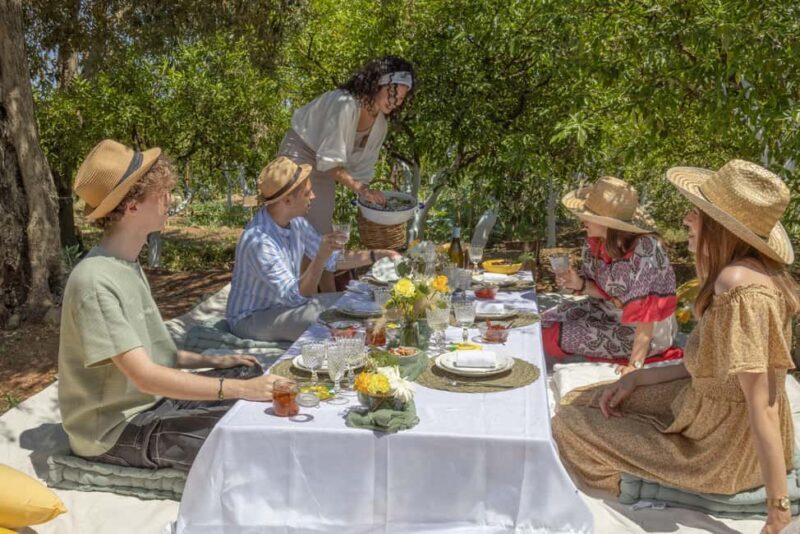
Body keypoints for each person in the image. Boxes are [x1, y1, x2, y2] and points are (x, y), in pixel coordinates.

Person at [552, 160, 799, 534]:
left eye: (697, 214)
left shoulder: (739, 286)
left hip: (721, 445)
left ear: (721, 228)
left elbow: (761, 403)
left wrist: (777, 509)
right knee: (587, 399)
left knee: (569, 426)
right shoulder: (745, 274)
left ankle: (665, 487)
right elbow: (701, 364)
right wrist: (638, 380)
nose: (686, 219)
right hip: (704, 407)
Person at [59, 140, 282, 471]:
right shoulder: (94, 280)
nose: (170, 199)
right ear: (132, 206)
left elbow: (160, 355)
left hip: (152, 403)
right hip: (113, 431)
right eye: (162, 193)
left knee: (248, 371)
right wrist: (240, 388)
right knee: (248, 438)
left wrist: (219, 362)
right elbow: (146, 377)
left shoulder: (127, 265)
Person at [277, 55, 414, 290]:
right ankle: (304, 298)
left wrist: (370, 197)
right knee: (303, 228)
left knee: (322, 231)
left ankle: (326, 299)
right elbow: (329, 162)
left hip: (325, 166)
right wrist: (361, 189)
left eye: (401, 98)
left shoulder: (380, 124)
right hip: (300, 154)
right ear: (377, 84)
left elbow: (360, 170)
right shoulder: (345, 104)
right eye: (393, 93)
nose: (396, 102)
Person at [226, 156, 399, 342]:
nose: (313, 197)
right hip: (251, 318)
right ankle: (360, 351)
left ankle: (376, 340)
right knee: (328, 322)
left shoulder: (297, 223)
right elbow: (297, 295)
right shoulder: (260, 242)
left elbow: (334, 260)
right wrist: (319, 259)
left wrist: (378, 254)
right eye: (307, 193)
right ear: (287, 200)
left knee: (352, 301)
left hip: (286, 305)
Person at [541, 176, 681, 374]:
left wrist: (635, 365)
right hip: (607, 312)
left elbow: (646, 315)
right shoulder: (596, 242)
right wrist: (579, 283)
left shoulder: (645, 249)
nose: (581, 220)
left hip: (643, 333)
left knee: (556, 334)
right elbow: (605, 294)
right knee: (542, 321)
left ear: (609, 223)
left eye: (588, 216)